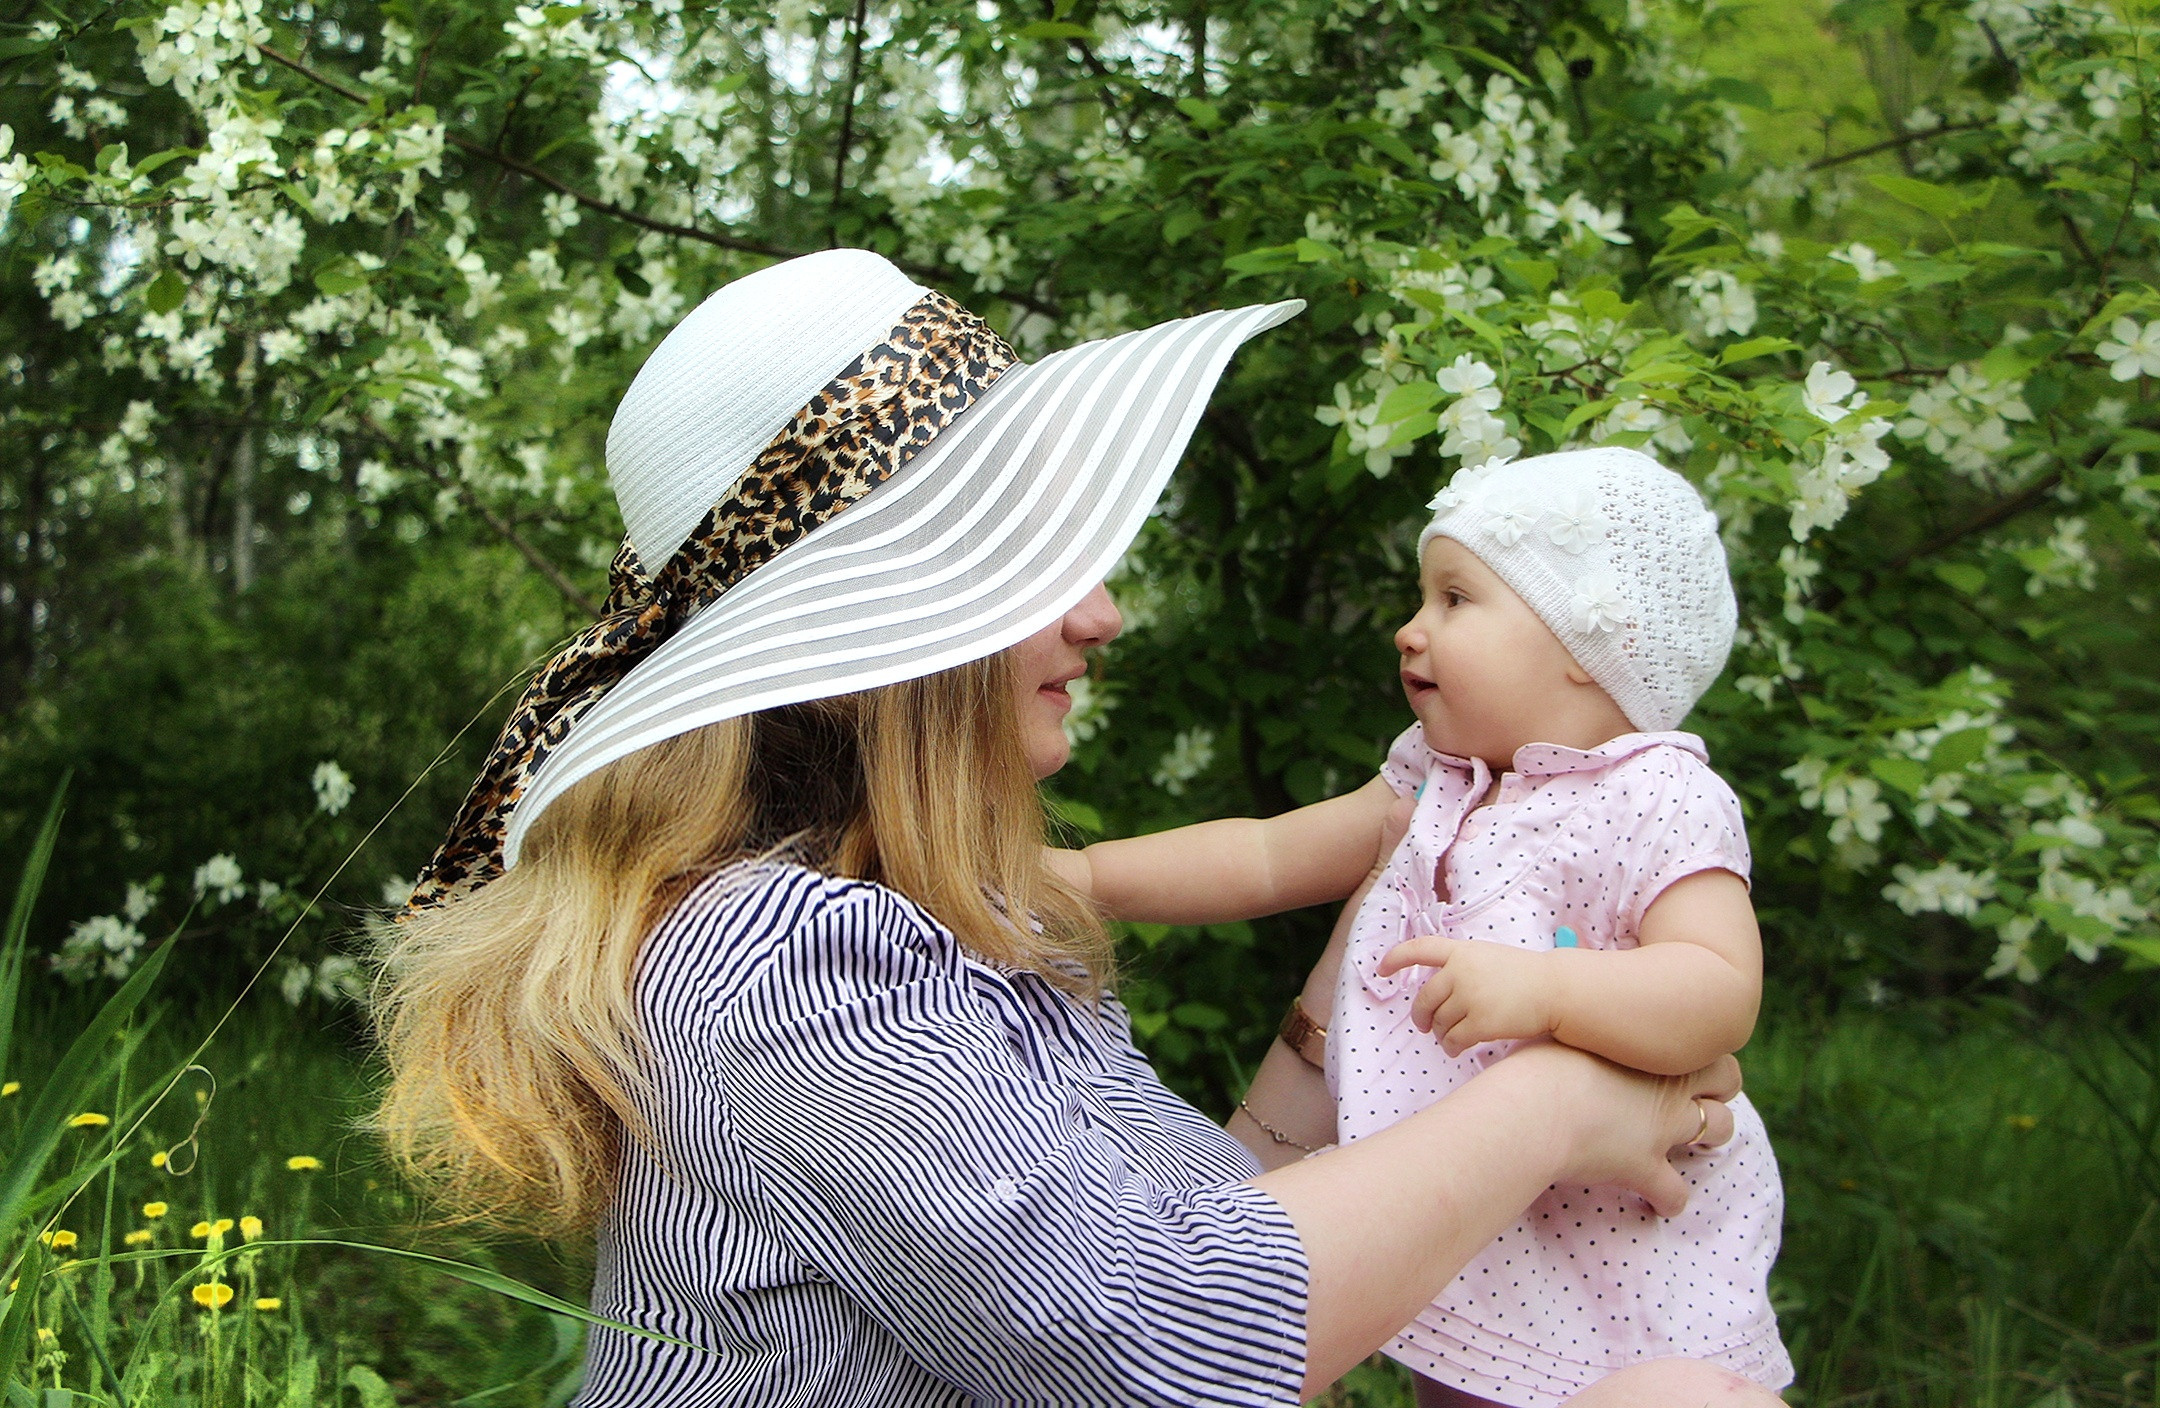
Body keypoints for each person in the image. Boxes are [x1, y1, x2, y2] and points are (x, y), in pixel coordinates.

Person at [368, 248, 1780, 1406]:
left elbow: (1202, 1248)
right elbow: (1164, 1359)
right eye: (1043, 565)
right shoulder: (775, 962)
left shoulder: (939, 927)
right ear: (901, 627)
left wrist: (1332, 1005)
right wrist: (1543, 1108)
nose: (1100, 613)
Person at [1062, 449, 1790, 1405]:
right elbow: (1266, 855)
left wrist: (1547, 991)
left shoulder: (1660, 796)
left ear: (1582, 642)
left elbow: (1717, 987)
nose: (1410, 631)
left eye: (1455, 599)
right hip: (1477, 1220)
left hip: (1619, 1239)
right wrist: (1079, 877)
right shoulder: (1432, 780)